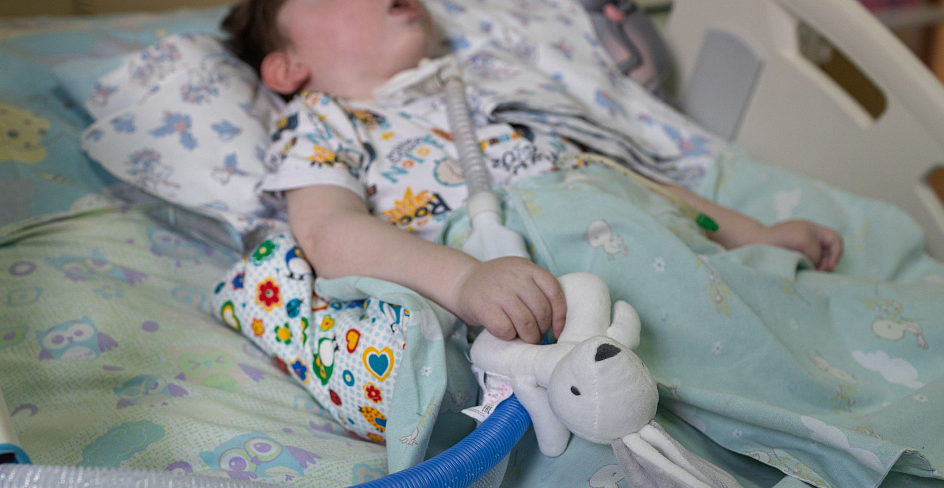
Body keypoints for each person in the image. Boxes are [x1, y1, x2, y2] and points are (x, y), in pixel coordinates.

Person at [212, 0, 843, 441]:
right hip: (538, 284)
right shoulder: (324, 119)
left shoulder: (484, 89)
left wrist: (751, 233)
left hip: (642, 233)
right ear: (287, 66)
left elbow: (625, 180)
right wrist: (465, 280)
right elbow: (329, 234)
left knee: (789, 350)